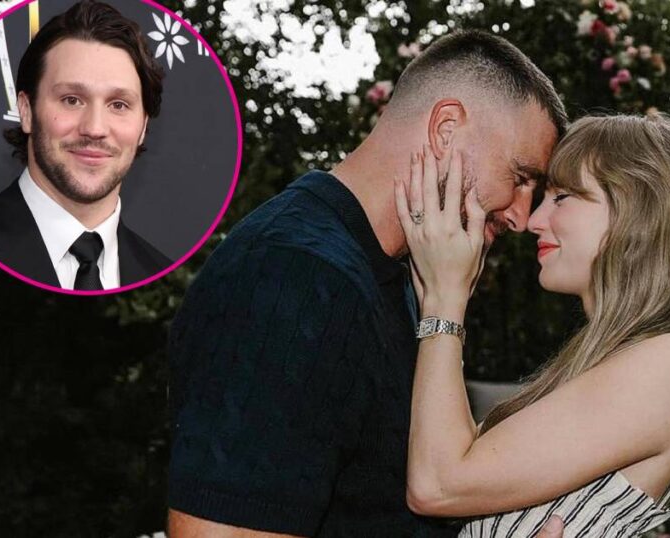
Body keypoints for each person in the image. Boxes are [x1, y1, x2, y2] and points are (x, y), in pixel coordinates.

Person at [167, 30, 569, 537]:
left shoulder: (388, 276)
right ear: (445, 129)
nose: (521, 216)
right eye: (521, 178)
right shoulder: (294, 275)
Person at [399, 113, 670, 536]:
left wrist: (445, 299)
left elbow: (438, 485)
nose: (534, 221)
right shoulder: (604, 361)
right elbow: (448, 460)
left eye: (562, 197)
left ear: (638, 210)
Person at [0, 0, 170, 290]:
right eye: (72, 100)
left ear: (143, 127)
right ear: (26, 111)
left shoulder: (162, 274)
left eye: (118, 104)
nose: (94, 128)